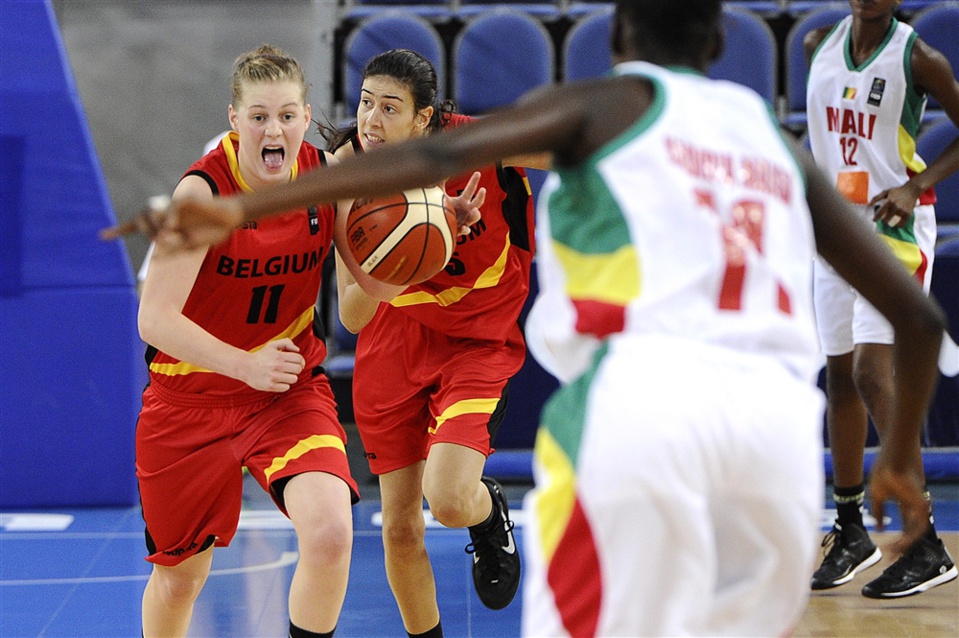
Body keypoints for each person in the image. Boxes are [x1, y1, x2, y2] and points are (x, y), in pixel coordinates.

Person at [103, 2, 947, 634]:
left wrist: (245, 206)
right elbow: (914, 319)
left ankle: (490, 522)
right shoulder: (772, 138)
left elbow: (440, 155)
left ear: (618, 38)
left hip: (641, 413)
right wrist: (900, 455)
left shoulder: (603, 108)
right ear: (720, 44)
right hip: (773, 435)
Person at [131, 44, 428, 638]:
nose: (274, 130)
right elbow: (154, 319)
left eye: (288, 116)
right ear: (234, 120)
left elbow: (368, 292)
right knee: (180, 580)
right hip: (190, 400)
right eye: (260, 116)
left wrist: (429, 243)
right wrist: (244, 364)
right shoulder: (202, 197)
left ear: (305, 117)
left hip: (286, 393)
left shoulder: (325, 179)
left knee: (330, 533)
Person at [321, 49, 545, 636]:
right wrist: (415, 247)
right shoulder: (347, 169)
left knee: (447, 499)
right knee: (399, 527)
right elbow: (353, 315)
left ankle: (486, 511)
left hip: (476, 337)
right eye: (365, 103)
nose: (371, 121)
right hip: (394, 337)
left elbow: (567, 148)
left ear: (424, 118)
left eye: (389, 108)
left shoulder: (472, 144)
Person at [804, 0, 959, 597]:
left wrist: (916, 185)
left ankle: (926, 543)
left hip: (893, 228)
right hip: (835, 226)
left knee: (872, 373)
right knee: (840, 377)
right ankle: (850, 530)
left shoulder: (919, 58)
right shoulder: (817, 43)